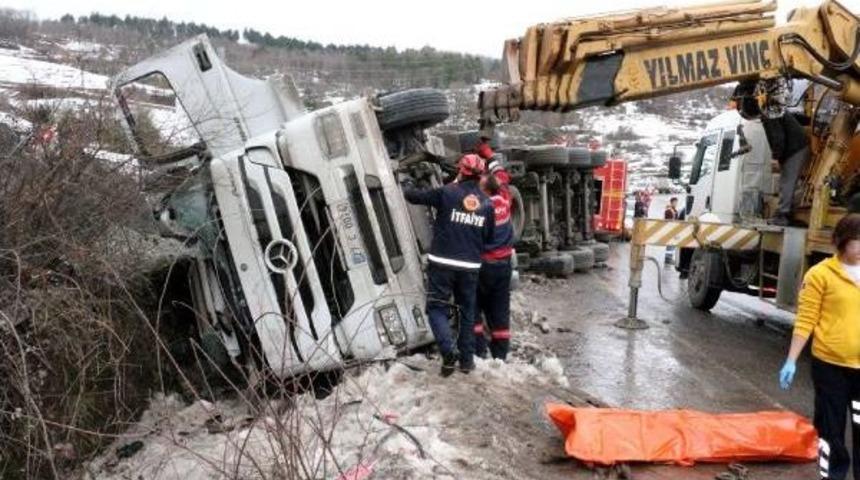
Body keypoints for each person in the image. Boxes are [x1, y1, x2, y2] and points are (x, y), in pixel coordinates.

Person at [778, 213, 860, 480]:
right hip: (830, 367)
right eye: (857, 241)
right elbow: (806, 319)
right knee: (831, 430)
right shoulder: (820, 274)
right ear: (842, 241)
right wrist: (791, 360)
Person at [403, 154, 495, 376]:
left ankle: (447, 351)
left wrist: (405, 183)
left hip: (442, 264)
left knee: (436, 308)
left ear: (461, 170)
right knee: (467, 313)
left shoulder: (447, 193)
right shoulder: (487, 204)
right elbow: (489, 237)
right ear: (480, 176)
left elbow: (414, 197)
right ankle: (466, 362)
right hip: (470, 267)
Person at [733, 79, 810, 226]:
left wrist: (776, 157)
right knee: (787, 181)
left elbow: (777, 138)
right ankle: (785, 212)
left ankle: (783, 215)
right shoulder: (771, 107)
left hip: (796, 147)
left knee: (787, 181)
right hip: (796, 145)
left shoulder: (769, 112)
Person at [474, 146, 514, 361]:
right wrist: (490, 156)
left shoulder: (480, 208)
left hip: (483, 266)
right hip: (503, 266)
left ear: (486, 191)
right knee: (500, 309)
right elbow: (502, 176)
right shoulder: (505, 199)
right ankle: (500, 357)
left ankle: (478, 350)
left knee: (472, 306)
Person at [664, 197, 679, 265]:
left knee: (673, 244)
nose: (676, 203)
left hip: (674, 229)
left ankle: (669, 258)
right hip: (670, 229)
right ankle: (667, 259)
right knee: (670, 244)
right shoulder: (669, 210)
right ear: (672, 202)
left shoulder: (675, 210)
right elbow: (667, 221)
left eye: (676, 202)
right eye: (675, 202)